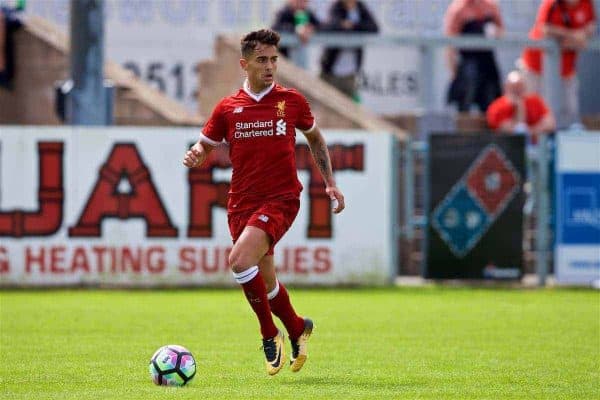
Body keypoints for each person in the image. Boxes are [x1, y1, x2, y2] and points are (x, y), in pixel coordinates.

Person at [182, 29, 345, 376]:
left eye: (274, 59)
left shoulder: (292, 102)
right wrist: (196, 154)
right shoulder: (228, 108)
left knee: (239, 261)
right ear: (245, 64)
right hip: (241, 203)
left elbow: (315, 139)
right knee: (266, 282)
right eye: (262, 60)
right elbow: (204, 145)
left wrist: (330, 183)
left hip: (281, 198)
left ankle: (269, 333)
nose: (270, 66)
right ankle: (298, 327)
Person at [519, 0, 596, 126]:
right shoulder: (552, 3)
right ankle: (535, 143)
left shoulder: (586, 3)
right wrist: (573, 36)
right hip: (536, 66)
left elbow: (590, 26)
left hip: (566, 67)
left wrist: (579, 37)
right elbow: (545, 29)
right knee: (535, 109)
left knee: (569, 109)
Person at [444, 0, 504, 113]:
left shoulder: (491, 7)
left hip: (488, 62)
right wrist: (453, 71)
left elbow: (501, 32)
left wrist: (495, 32)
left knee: (491, 100)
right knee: (466, 97)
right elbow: (450, 43)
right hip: (469, 62)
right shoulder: (458, 9)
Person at [320, 0, 379, 101]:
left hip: (350, 73)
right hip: (330, 71)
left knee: (349, 108)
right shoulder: (337, 6)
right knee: (327, 106)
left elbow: (373, 27)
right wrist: (344, 26)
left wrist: (353, 26)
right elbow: (331, 25)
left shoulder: (360, 7)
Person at [486, 70, 556, 144]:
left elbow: (550, 124)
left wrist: (531, 131)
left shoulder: (535, 101)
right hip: (509, 147)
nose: (517, 90)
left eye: (519, 86)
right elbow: (517, 132)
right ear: (506, 87)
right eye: (513, 86)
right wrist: (519, 108)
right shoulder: (496, 107)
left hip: (537, 146)